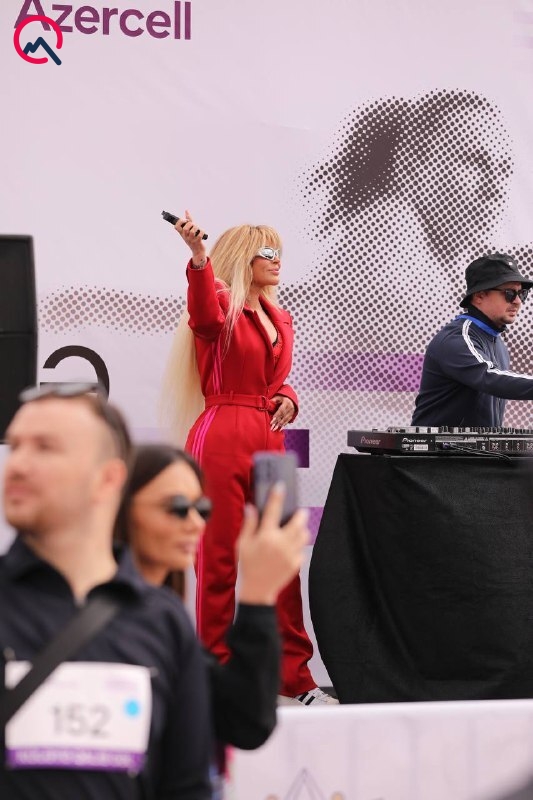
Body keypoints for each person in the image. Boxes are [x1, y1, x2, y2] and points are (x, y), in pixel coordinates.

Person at [0, 384, 212, 799]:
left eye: (45, 448)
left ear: (108, 479)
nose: (18, 464)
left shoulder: (164, 622)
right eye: (16, 445)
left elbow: (187, 787)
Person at [161, 211, 335, 705]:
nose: (277, 261)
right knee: (217, 559)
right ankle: (215, 675)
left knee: (282, 560)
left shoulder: (280, 317)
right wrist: (199, 258)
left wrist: (289, 397)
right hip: (222, 433)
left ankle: (294, 678)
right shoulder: (219, 303)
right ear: (244, 258)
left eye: (280, 252)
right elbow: (203, 315)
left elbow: (275, 378)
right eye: (267, 253)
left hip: (270, 438)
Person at [114, 442, 312, 747]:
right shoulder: (114, 614)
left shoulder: (168, 620)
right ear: (121, 508)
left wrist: (258, 598)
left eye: (202, 509)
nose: (196, 523)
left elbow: (247, 725)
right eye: (178, 508)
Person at [412, 254, 533, 426]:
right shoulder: (457, 338)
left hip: (479, 446)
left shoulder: (497, 342)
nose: (518, 301)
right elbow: (489, 378)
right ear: (479, 296)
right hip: (437, 445)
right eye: (509, 293)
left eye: (522, 293)